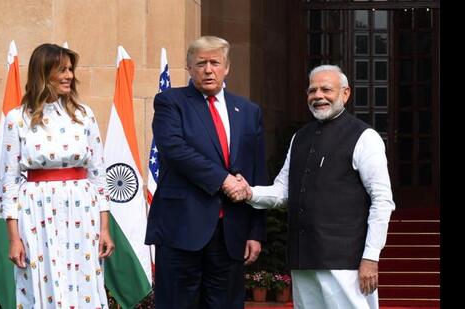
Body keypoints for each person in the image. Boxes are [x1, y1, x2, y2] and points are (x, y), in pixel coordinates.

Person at [228, 64, 395, 309]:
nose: (318, 95)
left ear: (345, 94)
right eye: (312, 90)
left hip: (345, 262)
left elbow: (382, 200)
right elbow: (283, 191)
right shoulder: (300, 137)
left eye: (326, 89)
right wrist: (249, 192)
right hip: (303, 259)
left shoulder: (365, 137)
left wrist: (371, 257)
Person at [145, 35, 268, 308]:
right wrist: (223, 179)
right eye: (201, 63)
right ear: (189, 67)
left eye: (215, 62)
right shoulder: (170, 102)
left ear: (227, 67)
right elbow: (174, 150)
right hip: (182, 229)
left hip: (231, 233)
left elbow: (258, 172)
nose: (208, 69)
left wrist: (255, 231)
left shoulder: (249, 111)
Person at [0, 43, 115, 309]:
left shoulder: (85, 115)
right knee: (40, 282)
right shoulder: (18, 118)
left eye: (71, 69)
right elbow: (9, 181)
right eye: (61, 70)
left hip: (82, 209)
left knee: (84, 282)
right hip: (37, 211)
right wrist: (14, 238)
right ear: (43, 73)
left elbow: (98, 175)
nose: (69, 76)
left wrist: (104, 227)